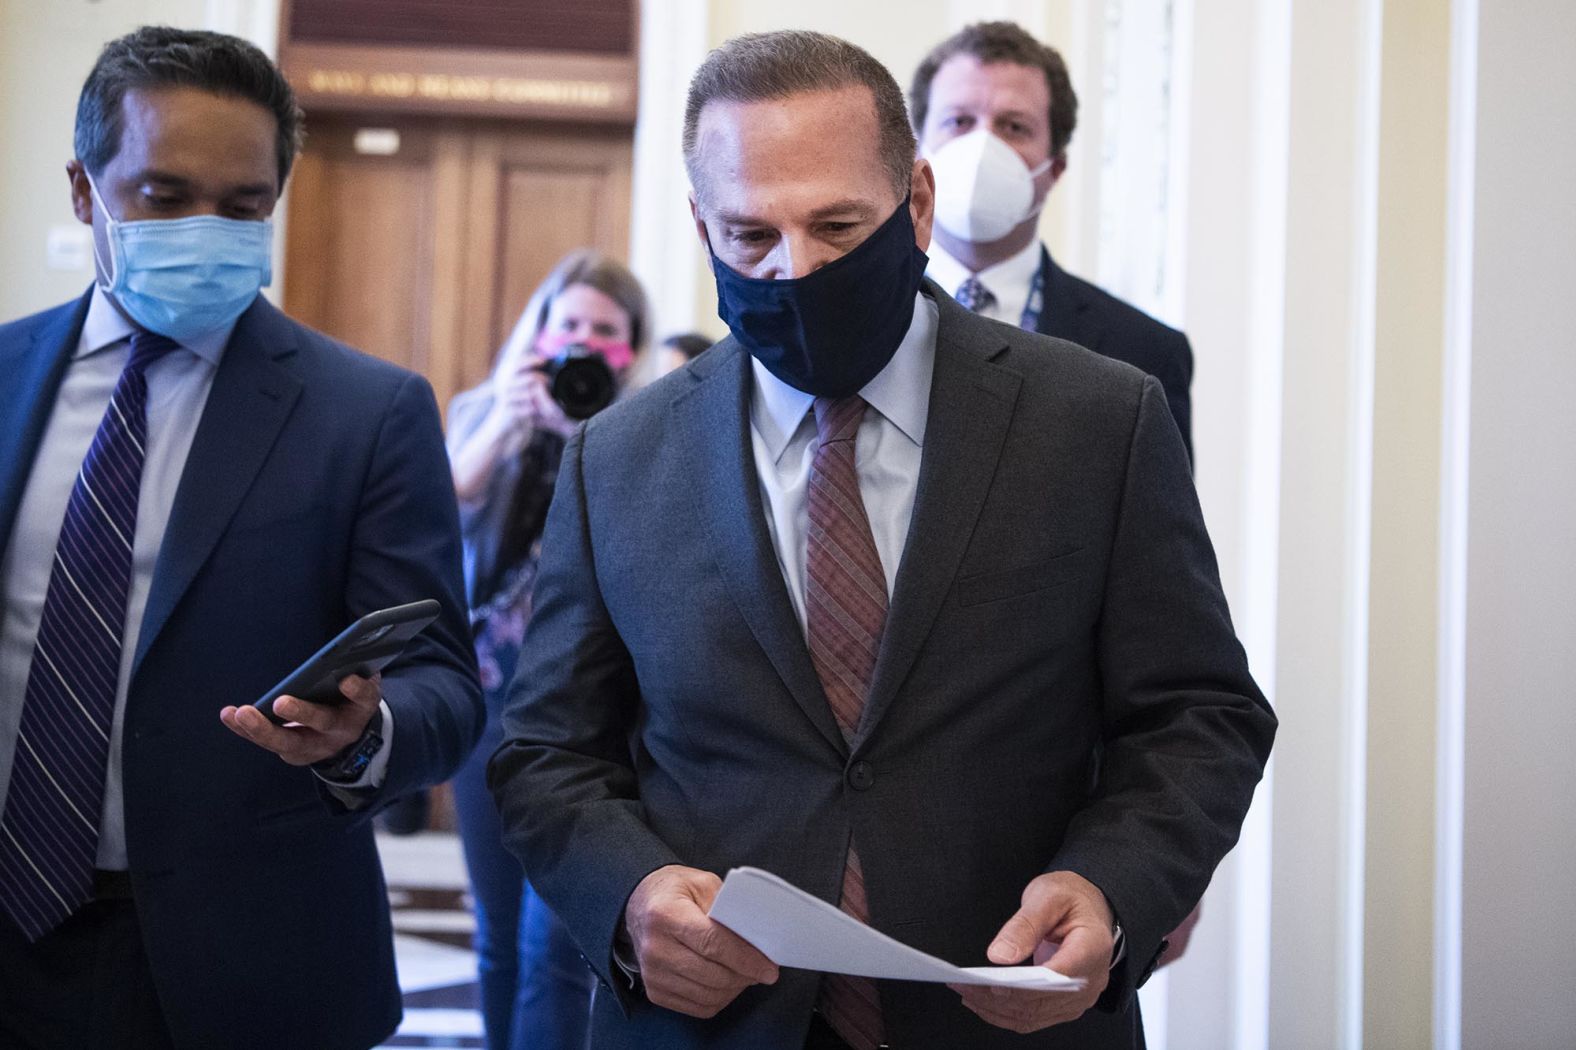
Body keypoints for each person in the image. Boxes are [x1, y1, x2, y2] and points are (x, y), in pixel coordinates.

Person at [488, 29, 1274, 1050]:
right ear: (698, 221)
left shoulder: (1096, 422)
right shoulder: (619, 459)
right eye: (749, 236)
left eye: (836, 226)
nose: (794, 269)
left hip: (1007, 1014)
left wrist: (1112, 888)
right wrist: (628, 897)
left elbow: (1198, 713)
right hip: (712, 1025)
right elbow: (545, 752)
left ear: (916, 203)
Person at [0, 27, 482, 1050]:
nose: (205, 227)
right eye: (164, 197)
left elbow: (446, 686)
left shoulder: (369, 413)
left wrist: (368, 737)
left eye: (243, 205)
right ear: (85, 192)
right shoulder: (4, 377)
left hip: (249, 961)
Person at [448, 249, 650, 1050]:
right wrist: (507, 420)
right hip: (488, 703)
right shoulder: (479, 411)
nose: (584, 340)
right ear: (538, 329)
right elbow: (434, 526)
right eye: (569, 322)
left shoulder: (636, 431)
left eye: (606, 330)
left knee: (556, 944)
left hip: (590, 720)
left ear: (629, 349)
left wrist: (585, 439)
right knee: (498, 933)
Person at [912, 21, 1194, 458]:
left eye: (1014, 127)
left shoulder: (1144, 350)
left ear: (1055, 168)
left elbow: (1159, 524)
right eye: (959, 121)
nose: (983, 146)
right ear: (917, 153)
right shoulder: (850, 315)